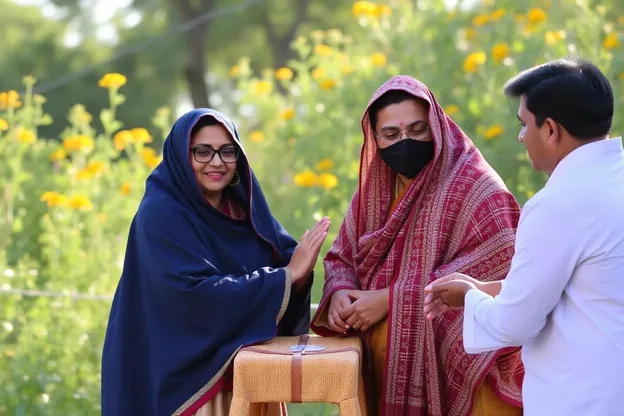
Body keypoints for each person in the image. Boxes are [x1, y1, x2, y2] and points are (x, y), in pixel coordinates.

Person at [310, 75, 524, 415]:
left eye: (417, 130)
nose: (405, 141)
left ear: (436, 127)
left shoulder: (478, 189)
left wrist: (391, 299)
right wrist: (340, 293)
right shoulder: (375, 194)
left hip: (470, 382)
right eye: (391, 135)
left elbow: (502, 271)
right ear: (375, 139)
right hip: (385, 369)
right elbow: (342, 258)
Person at [423, 58, 624, 415]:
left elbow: (513, 324)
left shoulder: (559, 205)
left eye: (524, 124)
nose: (520, 137)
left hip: (583, 399)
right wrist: (489, 289)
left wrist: (470, 297)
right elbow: (588, 287)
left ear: (550, 129)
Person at [101, 108, 330, 416]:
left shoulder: (243, 207)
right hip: (187, 383)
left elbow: (286, 261)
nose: (217, 162)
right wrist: (285, 277)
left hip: (247, 375)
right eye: (203, 152)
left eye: (227, 151)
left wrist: (297, 276)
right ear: (182, 156)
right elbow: (193, 296)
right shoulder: (161, 213)